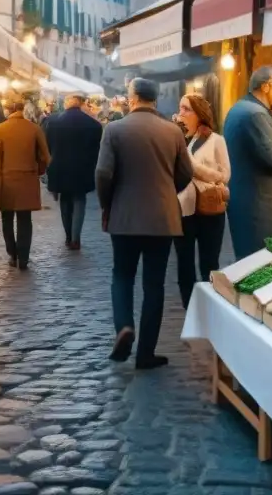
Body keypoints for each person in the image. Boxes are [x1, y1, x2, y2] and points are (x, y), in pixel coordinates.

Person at [96, 78, 194, 370]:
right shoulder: (173, 131)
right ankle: (146, 353)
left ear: (134, 97)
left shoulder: (114, 129)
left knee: (122, 275)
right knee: (154, 285)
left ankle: (124, 326)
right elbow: (186, 173)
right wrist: (166, 190)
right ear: (155, 99)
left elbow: (102, 173)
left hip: (124, 216)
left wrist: (107, 204)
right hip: (162, 218)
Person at [223, 67, 272, 259]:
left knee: (248, 257)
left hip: (244, 195)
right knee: (262, 260)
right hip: (258, 203)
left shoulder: (241, 107)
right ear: (267, 86)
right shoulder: (254, 114)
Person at [174, 93, 230, 309]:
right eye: (180, 108)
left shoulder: (217, 140)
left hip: (210, 210)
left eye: (186, 109)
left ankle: (210, 309)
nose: (181, 113)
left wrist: (190, 165)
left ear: (199, 114)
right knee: (184, 264)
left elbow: (225, 175)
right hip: (182, 209)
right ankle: (190, 311)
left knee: (209, 263)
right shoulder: (176, 139)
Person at [0, 91, 51, 270]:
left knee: (7, 219)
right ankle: (24, 258)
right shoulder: (34, 128)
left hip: (6, 180)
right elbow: (45, 156)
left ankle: (12, 254)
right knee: (25, 220)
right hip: (28, 179)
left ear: (7, 110)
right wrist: (38, 170)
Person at [45, 91, 103, 250]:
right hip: (82, 169)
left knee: (65, 200)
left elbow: (47, 147)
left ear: (68, 102)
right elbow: (96, 150)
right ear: (81, 103)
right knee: (79, 201)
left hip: (60, 168)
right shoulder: (94, 124)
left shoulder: (53, 122)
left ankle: (68, 236)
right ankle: (76, 238)